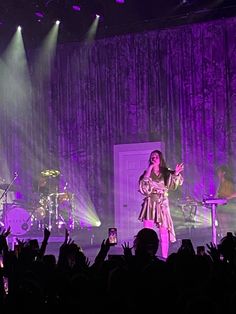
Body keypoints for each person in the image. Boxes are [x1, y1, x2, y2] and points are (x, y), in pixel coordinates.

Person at [138, 150, 184, 259]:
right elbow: (144, 186)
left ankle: (164, 257)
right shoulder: (147, 172)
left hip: (162, 202)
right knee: (147, 231)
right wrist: (150, 168)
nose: (154, 158)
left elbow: (173, 185)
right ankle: (146, 256)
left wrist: (176, 173)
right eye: (152, 157)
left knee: (164, 231)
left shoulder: (166, 172)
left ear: (160, 159)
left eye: (156, 156)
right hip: (150, 202)